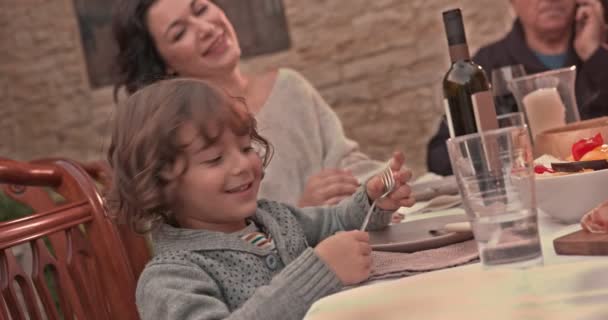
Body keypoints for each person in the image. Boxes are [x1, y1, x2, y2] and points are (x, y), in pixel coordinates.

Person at [106, 78, 415, 320]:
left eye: (244, 148)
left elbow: (336, 222)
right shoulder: (169, 279)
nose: (242, 165)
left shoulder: (272, 218)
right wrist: (320, 272)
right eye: (214, 159)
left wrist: (372, 200)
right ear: (158, 182)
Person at [112, 0, 386, 207]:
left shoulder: (290, 86)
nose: (206, 29)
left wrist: (384, 182)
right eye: (179, 33)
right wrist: (303, 214)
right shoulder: (184, 139)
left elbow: (346, 162)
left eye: (200, 9)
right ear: (165, 64)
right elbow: (221, 240)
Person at [427, 0, 608, 176]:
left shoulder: (600, 52)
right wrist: (503, 150)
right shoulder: (489, 64)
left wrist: (594, 54)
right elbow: (439, 156)